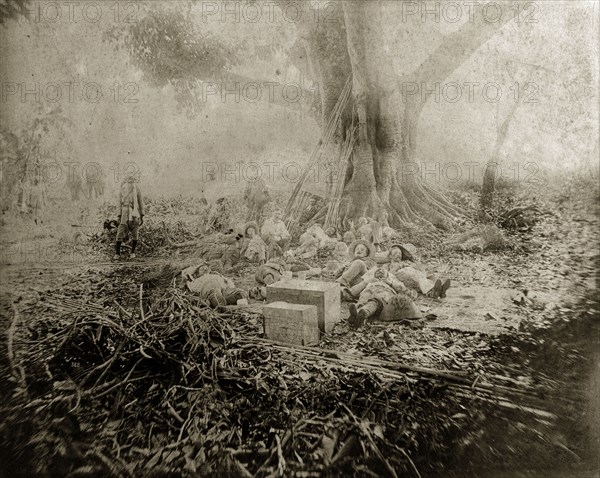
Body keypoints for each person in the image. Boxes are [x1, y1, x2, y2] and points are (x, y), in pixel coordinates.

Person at [347, 268, 421, 327]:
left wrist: (391, 283)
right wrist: (366, 282)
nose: (380, 271)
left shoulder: (392, 280)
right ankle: (356, 314)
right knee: (363, 299)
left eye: (383, 271)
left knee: (375, 301)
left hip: (385, 292)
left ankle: (364, 313)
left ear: (388, 274)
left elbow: (407, 293)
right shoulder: (369, 281)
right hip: (369, 290)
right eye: (377, 271)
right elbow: (352, 292)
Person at [386, 243, 451, 299]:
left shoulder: (405, 262)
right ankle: (434, 291)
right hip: (404, 277)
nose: (398, 255)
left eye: (400, 253)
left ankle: (440, 291)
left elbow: (417, 267)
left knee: (425, 277)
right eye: (396, 253)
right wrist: (398, 267)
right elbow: (389, 275)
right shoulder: (388, 265)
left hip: (413, 276)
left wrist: (411, 265)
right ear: (390, 256)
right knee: (418, 279)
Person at [114, 175, 144, 260]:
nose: (130, 183)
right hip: (124, 211)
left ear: (134, 182)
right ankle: (117, 253)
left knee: (135, 232)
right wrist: (119, 216)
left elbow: (141, 202)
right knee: (120, 231)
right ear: (126, 181)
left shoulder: (137, 189)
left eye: (131, 181)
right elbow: (119, 203)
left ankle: (133, 252)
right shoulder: (122, 189)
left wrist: (142, 215)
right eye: (128, 181)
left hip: (135, 212)